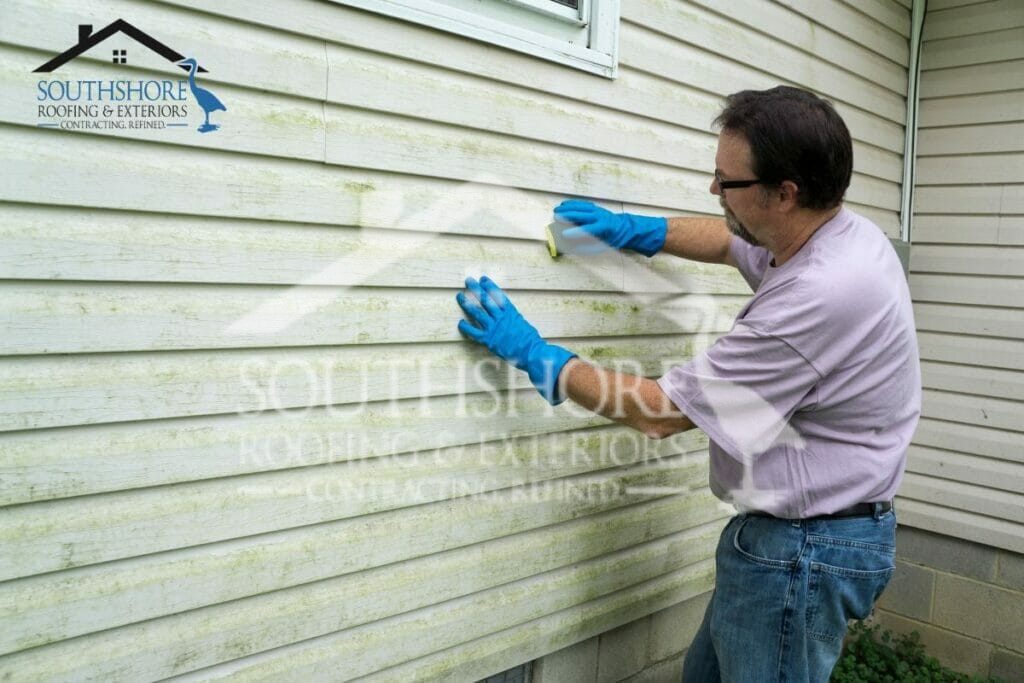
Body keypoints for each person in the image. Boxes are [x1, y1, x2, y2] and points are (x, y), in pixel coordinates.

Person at [455, 85, 921, 681]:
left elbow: (660, 413)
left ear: (785, 194)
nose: (713, 191)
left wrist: (536, 355)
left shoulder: (819, 295)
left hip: (803, 556)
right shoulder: (835, 233)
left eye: (728, 183)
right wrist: (636, 230)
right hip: (798, 541)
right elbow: (732, 241)